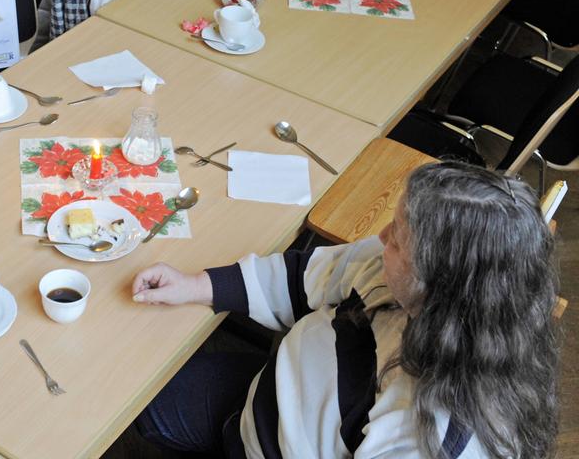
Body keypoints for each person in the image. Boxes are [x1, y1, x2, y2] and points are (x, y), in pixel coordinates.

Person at [131, 161, 560, 459]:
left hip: (272, 443)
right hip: (270, 396)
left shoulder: (429, 434)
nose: (382, 234)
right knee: (145, 400)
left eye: (398, 238)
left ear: (440, 284)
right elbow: (305, 277)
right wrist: (195, 286)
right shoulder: (404, 276)